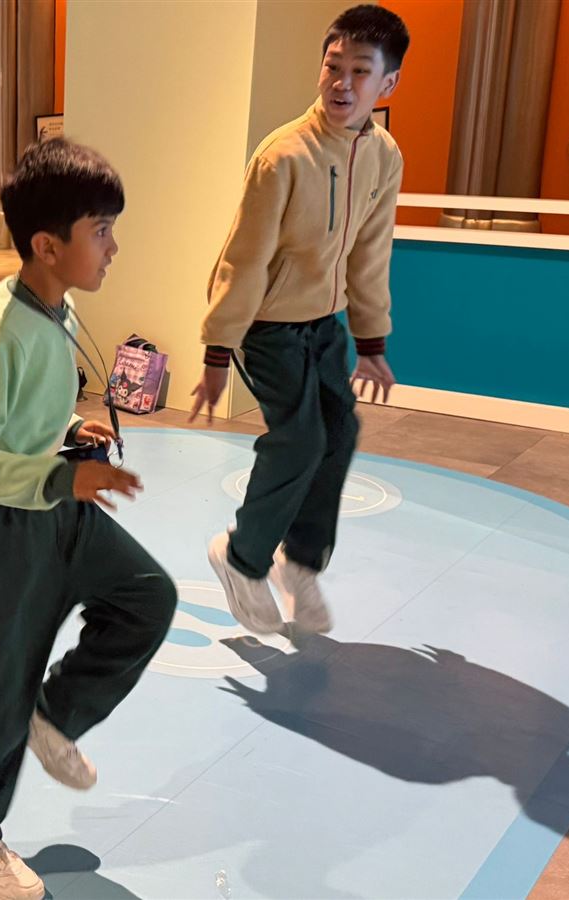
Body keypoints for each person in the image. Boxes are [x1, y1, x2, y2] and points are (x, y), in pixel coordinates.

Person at [0, 138, 177, 900]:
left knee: (147, 596)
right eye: (101, 231)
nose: (113, 247)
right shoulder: (1, 327)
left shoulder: (57, 304)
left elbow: (21, 412)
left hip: (54, 502)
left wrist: (68, 430)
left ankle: (56, 712)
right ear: (47, 246)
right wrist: (60, 475)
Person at [190, 4, 409, 636]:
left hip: (323, 326)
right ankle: (241, 558)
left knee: (339, 432)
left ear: (387, 83)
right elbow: (244, 259)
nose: (341, 83)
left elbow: (370, 253)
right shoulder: (283, 155)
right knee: (300, 439)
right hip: (266, 325)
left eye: (359, 71)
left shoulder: (383, 155)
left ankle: (301, 562)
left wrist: (370, 341)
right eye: (332, 67)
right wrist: (217, 349)